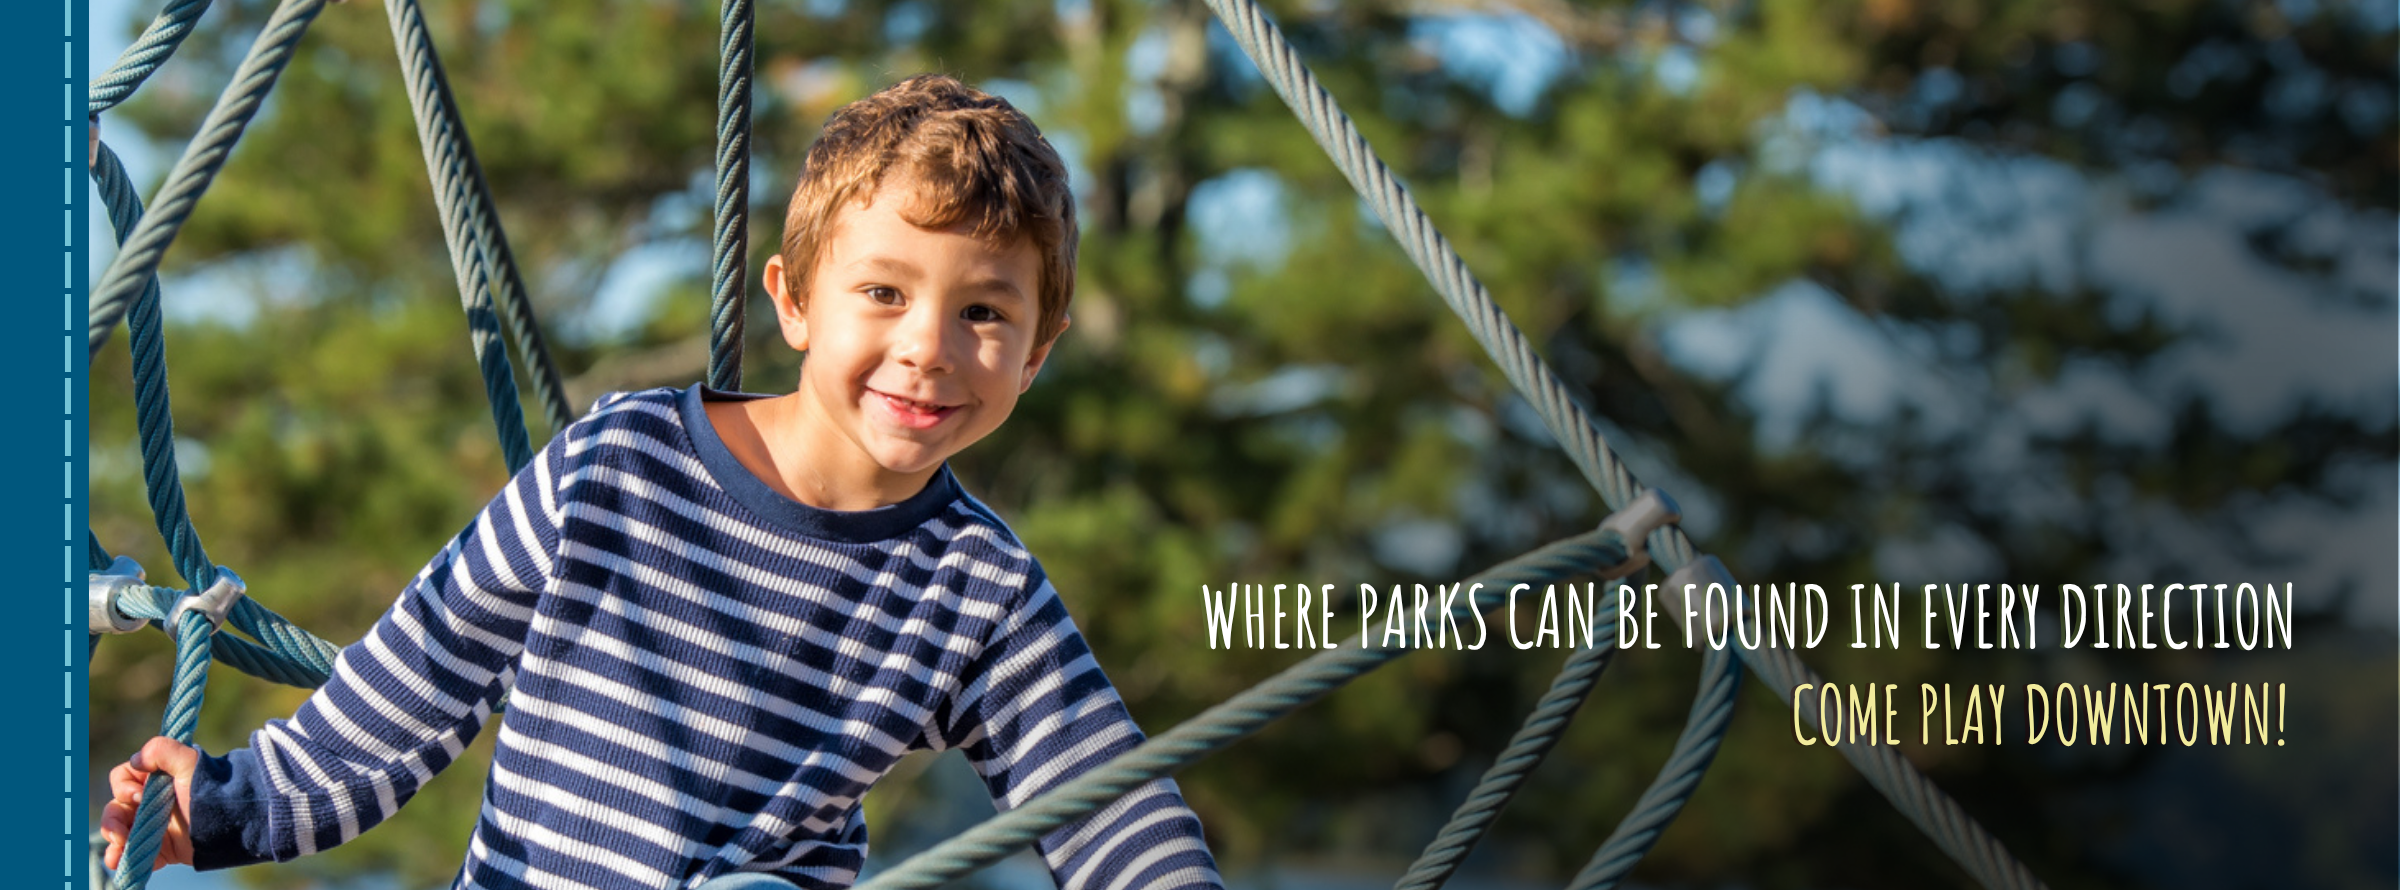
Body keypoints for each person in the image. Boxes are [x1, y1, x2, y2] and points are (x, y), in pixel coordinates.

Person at [99, 74, 1223, 890]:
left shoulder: (976, 585)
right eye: (883, 293)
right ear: (792, 300)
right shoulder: (620, 463)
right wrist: (234, 804)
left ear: (1039, 351)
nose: (929, 345)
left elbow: (1109, 804)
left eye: (984, 312)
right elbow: (411, 693)